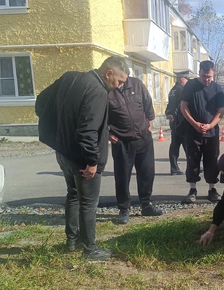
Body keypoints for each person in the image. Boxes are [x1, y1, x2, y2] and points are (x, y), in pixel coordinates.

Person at [36, 56, 129, 261]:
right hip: (83, 159)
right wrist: (92, 161)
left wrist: (58, 130)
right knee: (88, 203)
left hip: (64, 152)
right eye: (120, 81)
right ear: (109, 73)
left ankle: (72, 241)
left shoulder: (70, 78)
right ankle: (90, 250)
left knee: (73, 195)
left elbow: (41, 102)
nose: (120, 86)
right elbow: (88, 131)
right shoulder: (97, 91)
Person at [108, 75, 163, 225]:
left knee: (147, 173)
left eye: (125, 77)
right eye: (120, 77)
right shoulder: (107, 89)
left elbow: (148, 105)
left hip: (143, 138)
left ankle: (146, 205)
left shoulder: (136, 85)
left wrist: (149, 126)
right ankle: (124, 209)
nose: (123, 81)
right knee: (122, 176)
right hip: (122, 142)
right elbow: (100, 115)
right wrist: (108, 132)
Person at [179, 60, 224, 203]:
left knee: (212, 161)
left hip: (211, 133)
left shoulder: (217, 88)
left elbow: (220, 110)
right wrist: (195, 124)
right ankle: (192, 189)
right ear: (199, 72)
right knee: (192, 160)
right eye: (204, 76)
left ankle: (212, 189)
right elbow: (184, 107)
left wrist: (211, 125)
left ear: (213, 74)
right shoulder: (190, 86)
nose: (206, 80)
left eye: (209, 77)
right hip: (192, 131)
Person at [165, 72, 189, 175]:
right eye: (187, 79)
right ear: (182, 79)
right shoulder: (182, 90)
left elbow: (170, 104)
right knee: (186, 143)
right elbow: (183, 106)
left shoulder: (173, 90)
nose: (187, 82)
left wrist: (168, 113)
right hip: (181, 121)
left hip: (173, 120)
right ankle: (190, 166)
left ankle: (175, 167)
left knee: (176, 144)